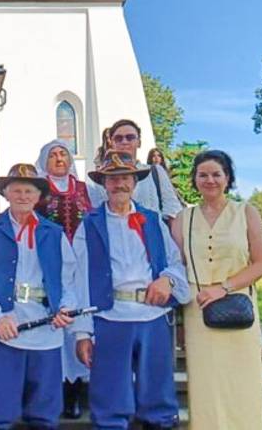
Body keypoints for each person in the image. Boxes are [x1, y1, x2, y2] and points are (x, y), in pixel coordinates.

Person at [73, 150, 190, 430]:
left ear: (135, 182)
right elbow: (76, 279)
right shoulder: (89, 225)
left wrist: (168, 281)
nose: (119, 185)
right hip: (110, 316)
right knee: (110, 396)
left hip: (151, 316)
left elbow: (176, 263)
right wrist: (81, 331)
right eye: (112, 179)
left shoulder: (153, 221)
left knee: (158, 395)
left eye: (125, 178)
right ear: (104, 184)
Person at [0, 163, 78, 429]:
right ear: (6, 193)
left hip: (45, 328)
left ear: (38, 196)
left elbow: (69, 279)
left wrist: (66, 308)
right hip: (6, 328)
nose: (23, 196)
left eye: (29, 191)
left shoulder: (54, 233)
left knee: (44, 411)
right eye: (17, 190)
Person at [170, 150, 262, 429]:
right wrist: (178, 319)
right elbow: (175, 269)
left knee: (243, 385)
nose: (210, 180)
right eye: (203, 175)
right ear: (195, 180)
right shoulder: (182, 219)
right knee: (206, 389)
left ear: (228, 178)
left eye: (216, 174)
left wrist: (223, 288)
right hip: (197, 315)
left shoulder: (246, 212)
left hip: (239, 309)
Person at [34, 140, 94, 419]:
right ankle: (50, 391)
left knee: (78, 320)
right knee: (53, 322)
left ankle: (75, 390)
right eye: (53, 155)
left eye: (63, 154)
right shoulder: (38, 190)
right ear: (44, 161)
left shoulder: (87, 190)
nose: (59, 159)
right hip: (49, 263)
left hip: (83, 264)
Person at [102, 119, 181, 223]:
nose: (124, 142)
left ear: (139, 142)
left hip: (151, 234)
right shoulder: (103, 176)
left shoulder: (155, 171)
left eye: (130, 137)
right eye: (118, 138)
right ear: (111, 143)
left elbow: (172, 210)